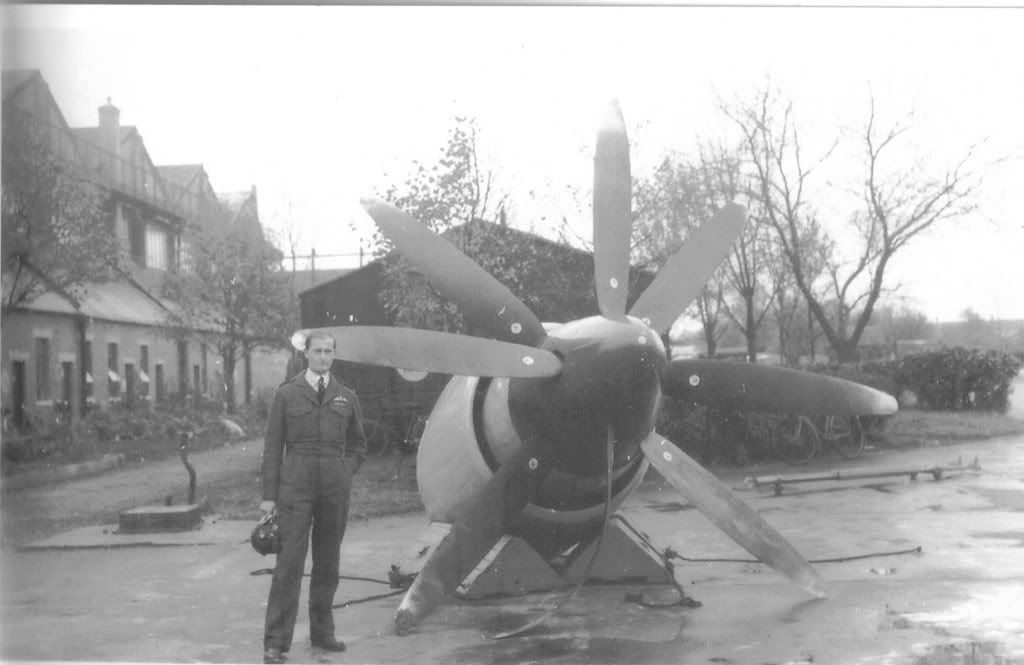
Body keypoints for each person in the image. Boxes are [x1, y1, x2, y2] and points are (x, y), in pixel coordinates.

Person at [260, 330, 367, 664]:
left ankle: (323, 633)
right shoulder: (287, 394)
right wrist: (269, 495)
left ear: (334, 355)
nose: (323, 356)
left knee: (328, 561)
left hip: (334, 487)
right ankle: (276, 642)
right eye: (317, 351)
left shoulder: (346, 396)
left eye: (329, 351)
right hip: (296, 486)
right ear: (305, 353)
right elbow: (273, 446)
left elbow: (359, 444)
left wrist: (343, 471)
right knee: (289, 562)